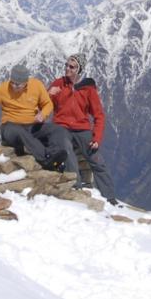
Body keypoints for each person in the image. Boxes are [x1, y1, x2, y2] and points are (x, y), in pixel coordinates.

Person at [49, 52, 115, 200]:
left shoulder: (88, 89)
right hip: (62, 126)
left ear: (79, 69)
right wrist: (50, 95)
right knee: (66, 149)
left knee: (97, 160)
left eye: (72, 66)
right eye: (66, 65)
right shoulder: (58, 84)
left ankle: (110, 198)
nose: (67, 69)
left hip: (82, 128)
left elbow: (99, 115)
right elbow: (45, 105)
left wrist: (97, 137)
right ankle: (76, 189)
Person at [0, 63, 59, 163]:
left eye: (18, 84)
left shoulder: (36, 85)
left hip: (32, 125)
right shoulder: (3, 89)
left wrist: (43, 114)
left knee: (57, 130)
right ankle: (48, 158)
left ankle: (60, 157)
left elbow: (48, 104)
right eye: (12, 82)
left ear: (26, 82)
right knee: (20, 132)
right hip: (9, 127)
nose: (14, 86)